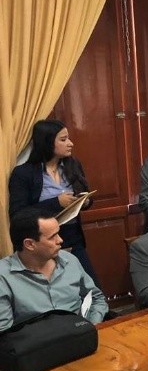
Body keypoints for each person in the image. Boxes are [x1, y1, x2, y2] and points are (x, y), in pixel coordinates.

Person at [9, 119, 99, 284]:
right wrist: (56, 203)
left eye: (68, 138)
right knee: (52, 287)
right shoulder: (24, 173)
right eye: (63, 139)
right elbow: (18, 214)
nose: (70, 143)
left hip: (73, 237)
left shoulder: (73, 165)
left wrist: (85, 201)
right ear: (47, 142)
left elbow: (84, 193)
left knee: (90, 286)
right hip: (42, 242)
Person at [0, 208, 108, 331]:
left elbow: (96, 298)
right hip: (36, 341)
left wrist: (92, 325)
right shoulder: (3, 276)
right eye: (52, 237)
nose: (60, 240)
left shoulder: (69, 260)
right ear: (29, 244)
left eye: (58, 233)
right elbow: (4, 332)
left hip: (79, 334)